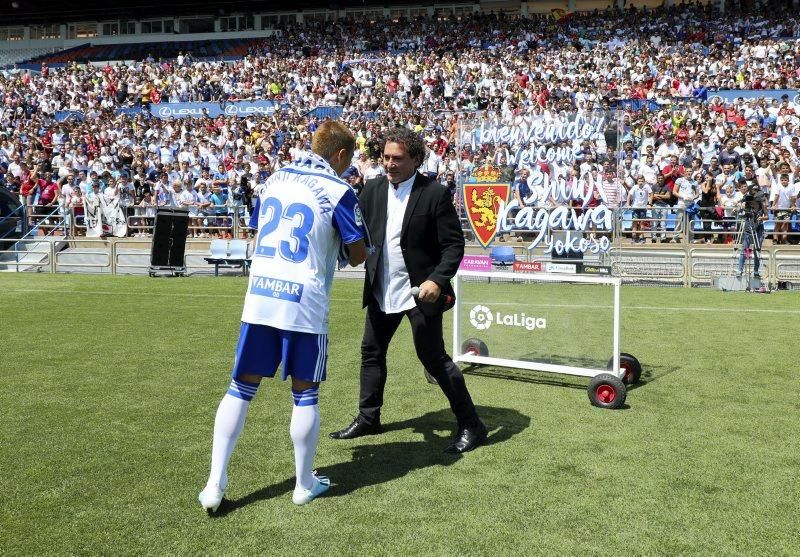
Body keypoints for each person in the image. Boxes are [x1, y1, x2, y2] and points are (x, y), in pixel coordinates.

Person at [199, 121, 368, 513]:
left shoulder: (273, 179)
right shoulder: (338, 190)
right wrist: (339, 250)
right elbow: (358, 253)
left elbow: (259, 231)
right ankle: (303, 484)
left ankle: (214, 483)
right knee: (305, 393)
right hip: (303, 301)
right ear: (341, 155)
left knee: (240, 387)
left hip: (260, 295)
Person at [329, 127, 486, 454]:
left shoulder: (435, 194)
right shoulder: (370, 190)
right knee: (371, 353)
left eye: (397, 158)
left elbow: (454, 246)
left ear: (416, 159)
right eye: (386, 157)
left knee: (433, 358)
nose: (390, 164)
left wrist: (436, 280)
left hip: (420, 291)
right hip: (380, 289)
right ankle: (369, 417)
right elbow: (353, 231)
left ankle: (472, 425)